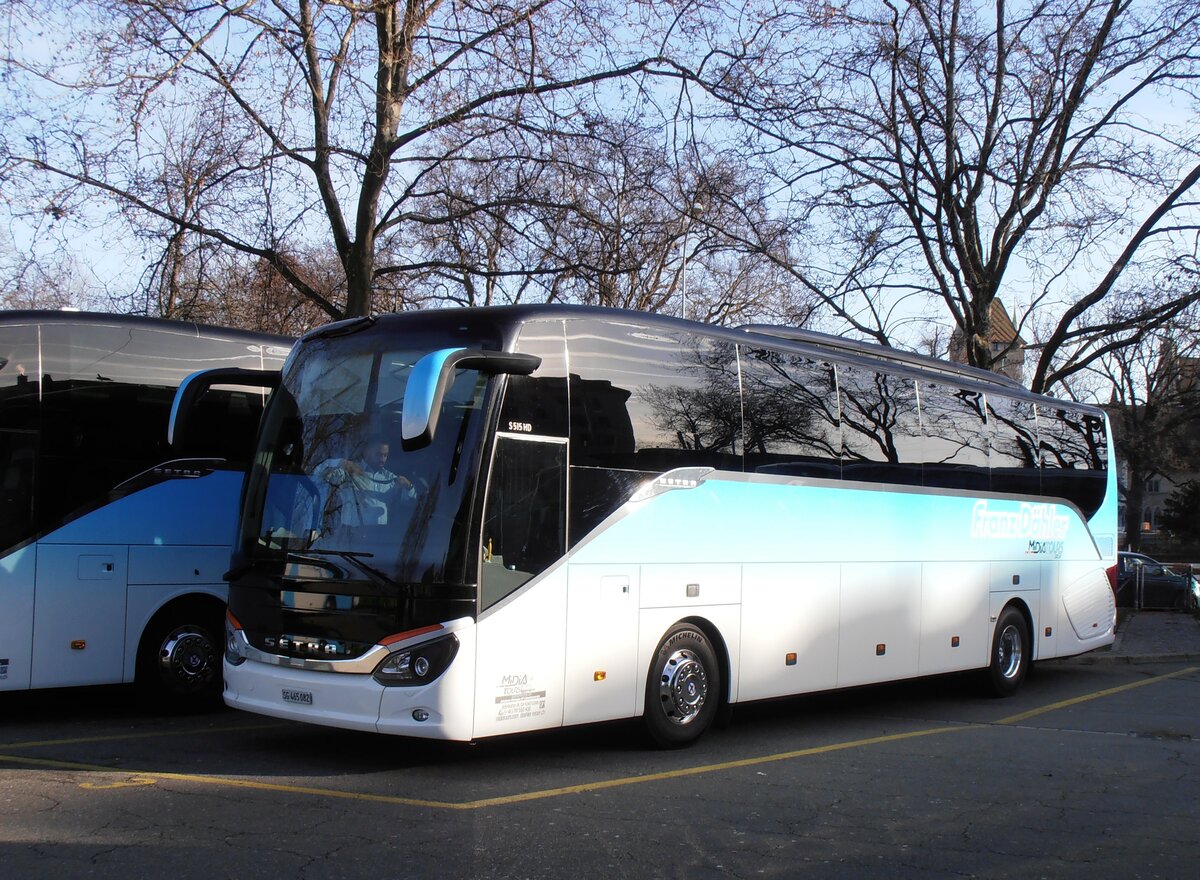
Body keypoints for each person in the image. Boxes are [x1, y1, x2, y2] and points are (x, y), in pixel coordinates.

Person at [314, 436, 414, 528]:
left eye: (385, 455)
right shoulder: (349, 472)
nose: (382, 459)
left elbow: (412, 504)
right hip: (350, 539)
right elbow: (318, 474)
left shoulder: (391, 478)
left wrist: (409, 486)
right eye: (378, 454)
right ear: (367, 452)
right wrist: (341, 462)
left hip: (380, 540)